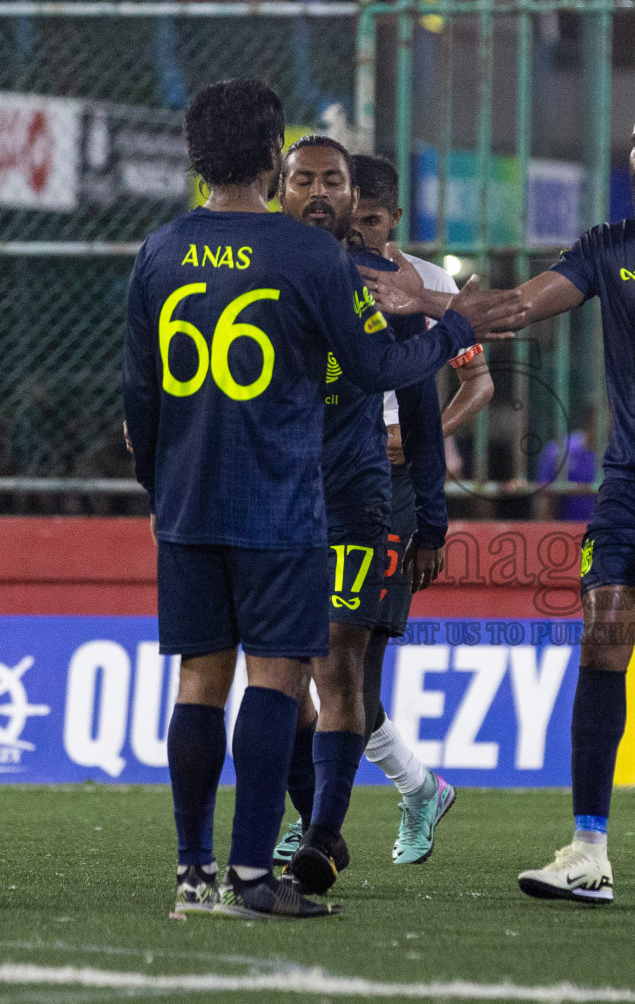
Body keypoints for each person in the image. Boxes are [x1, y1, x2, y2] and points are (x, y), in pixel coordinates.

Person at [359, 88, 635, 907]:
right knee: (604, 639)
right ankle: (588, 850)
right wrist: (427, 302)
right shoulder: (609, 246)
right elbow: (520, 306)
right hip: (634, 483)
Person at [122, 79, 512, 920]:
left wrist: (164, 493)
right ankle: (254, 879)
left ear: (195, 157)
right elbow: (376, 369)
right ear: (272, 158)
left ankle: (193, 875)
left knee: (199, 682)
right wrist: (450, 327)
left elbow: (138, 403)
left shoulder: (158, 252)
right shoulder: (307, 258)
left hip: (187, 508)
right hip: (280, 508)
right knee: (277, 678)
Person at [272, 135, 459, 893]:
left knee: (339, 668)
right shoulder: (260, 268)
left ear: (359, 201)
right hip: (270, 500)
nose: (321, 196)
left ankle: (321, 835)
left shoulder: (398, 288)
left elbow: (420, 406)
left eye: (335, 184)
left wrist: (434, 520)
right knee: (280, 681)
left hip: (360, 498)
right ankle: (333, 811)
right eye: (303, 180)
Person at [346, 152, 494, 864]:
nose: (363, 234)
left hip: (394, 485)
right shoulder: (322, 272)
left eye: (373, 221)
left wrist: (422, 434)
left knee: (350, 666)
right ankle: (413, 789)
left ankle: (324, 817)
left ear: (395, 218)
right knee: (307, 664)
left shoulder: (429, 284)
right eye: (353, 220)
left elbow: (480, 383)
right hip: (321, 471)